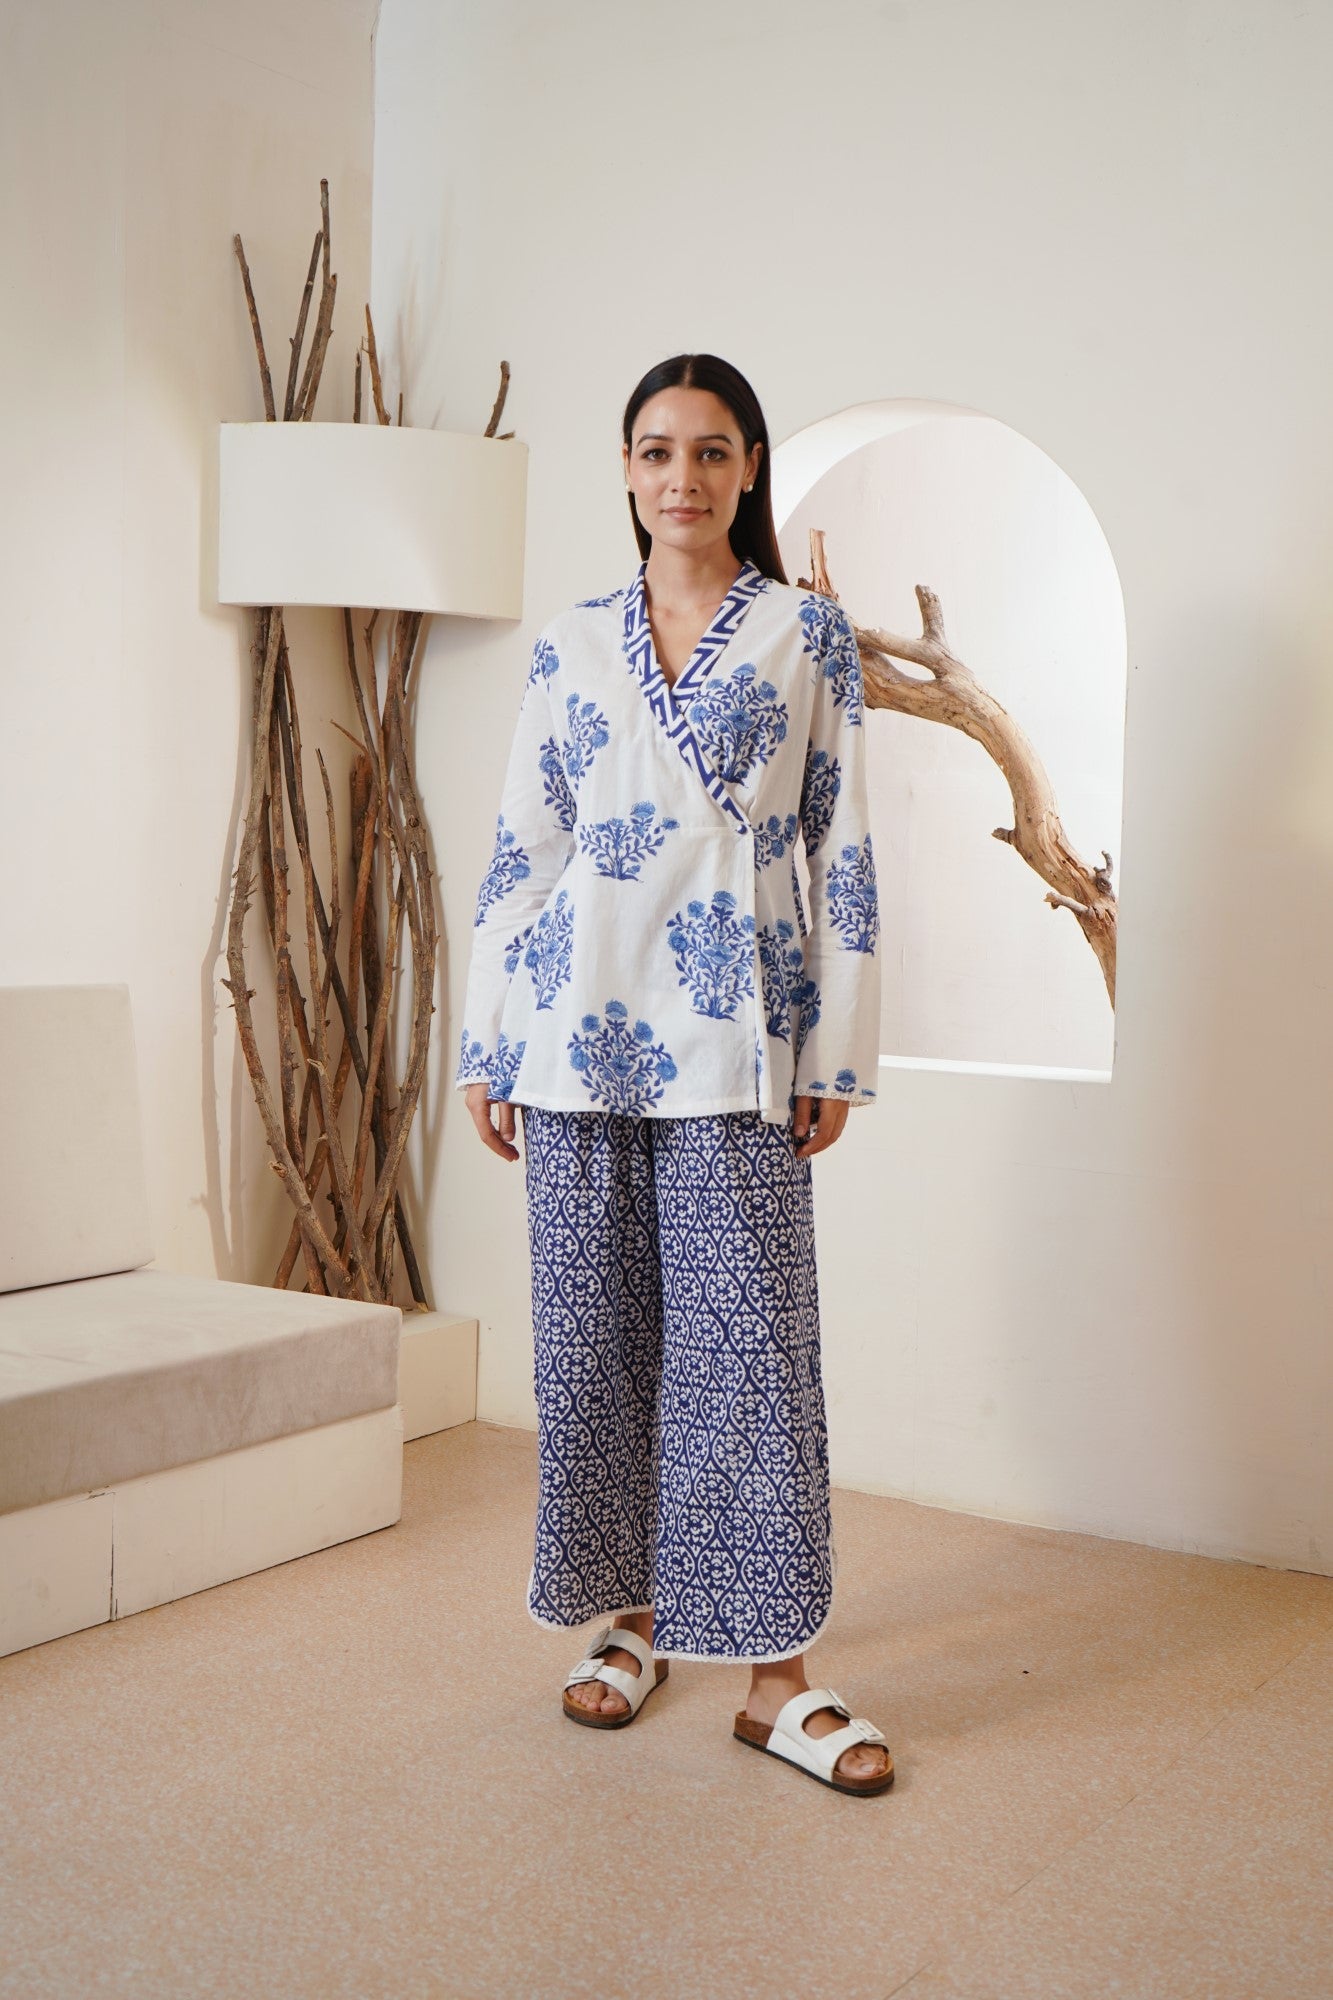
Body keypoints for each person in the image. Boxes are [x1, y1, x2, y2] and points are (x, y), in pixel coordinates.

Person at [455, 353, 892, 1795]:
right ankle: (632, 1622)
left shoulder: (805, 633)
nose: (682, 477)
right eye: (655, 451)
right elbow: (523, 853)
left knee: (749, 1361)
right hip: (572, 1039)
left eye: (710, 451)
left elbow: (840, 845)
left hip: (734, 1043)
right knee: (597, 1347)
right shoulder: (570, 642)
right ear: (628, 471)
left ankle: (778, 1680)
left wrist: (835, 1049)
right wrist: (489, 1043)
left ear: (749, 467)